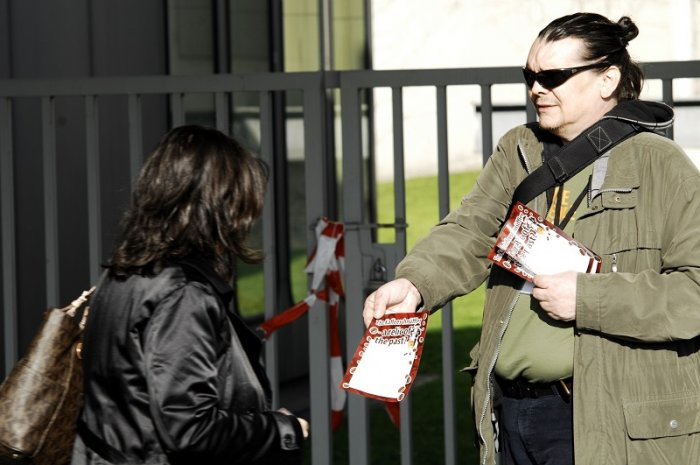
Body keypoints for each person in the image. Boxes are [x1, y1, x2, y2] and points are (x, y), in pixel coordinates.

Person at [363, 12, 700, 465]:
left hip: (601, 416)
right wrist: (415, 284)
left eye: (553, 77)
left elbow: (694, 293)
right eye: (530, 76)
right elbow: (470, 229)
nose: (537, 89)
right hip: (510, 411)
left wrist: (588, 298)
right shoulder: (518, 150)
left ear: (607, 79)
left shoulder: (661, 164)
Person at [71, 125, 309, 465]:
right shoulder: (184, 294)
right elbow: (190, 429)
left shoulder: (125, 272)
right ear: (222, 207)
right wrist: (282, 429)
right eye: (245, 205)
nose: (248, 220)